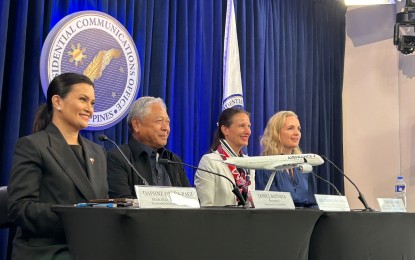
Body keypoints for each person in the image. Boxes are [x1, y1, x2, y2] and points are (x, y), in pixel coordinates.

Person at [7, 73, 108, 259]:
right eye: (83, 100)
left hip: (89, 246)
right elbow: (19, 208)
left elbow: (102, 203)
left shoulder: (98, 151)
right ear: (57, 101)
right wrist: (75, 218)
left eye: (92, 103)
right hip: (47, 250)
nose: (89, 109)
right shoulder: (32, 146)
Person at [107, 96, 190, 198]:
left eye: (167, 122)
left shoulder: (173, 160)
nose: (166, 128)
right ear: (137, 124)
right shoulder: (118, 158)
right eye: (159, 120)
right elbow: (123, 206)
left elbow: (190, 203)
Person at [255, 111, 317, 208]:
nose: (297, 133)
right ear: (276, 133)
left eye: (298, 129)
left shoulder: (305, 167)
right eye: (290, 128)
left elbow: (313, 203)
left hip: (306, 220)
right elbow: (270, 206)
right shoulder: (265, 166)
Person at [194, 107, 255, 207]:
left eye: (249, 126)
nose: (248, 131)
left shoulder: (249, 164)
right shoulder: (210, 161)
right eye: (241, 126)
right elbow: (206, 208)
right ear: (225, 129)